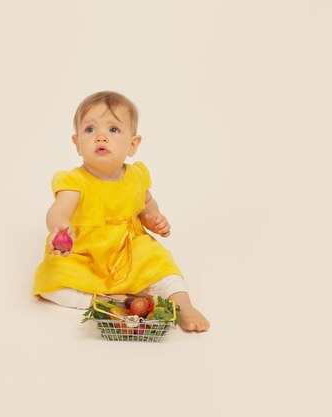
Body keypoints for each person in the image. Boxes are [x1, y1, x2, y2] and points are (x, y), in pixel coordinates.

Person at [32, 91, 209, 332]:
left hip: (128, 249)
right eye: (90, 130)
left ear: (133, 144)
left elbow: (147, 203)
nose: (101, 137)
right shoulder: (74, 181)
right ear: (77, 144)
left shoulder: (136, 176)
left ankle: (184, 306)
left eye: (113, 130)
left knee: (160, 263)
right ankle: (107, 301)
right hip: (86, 254)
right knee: (52, 280)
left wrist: (153, 219)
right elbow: (58, 210)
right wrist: (60, 226)